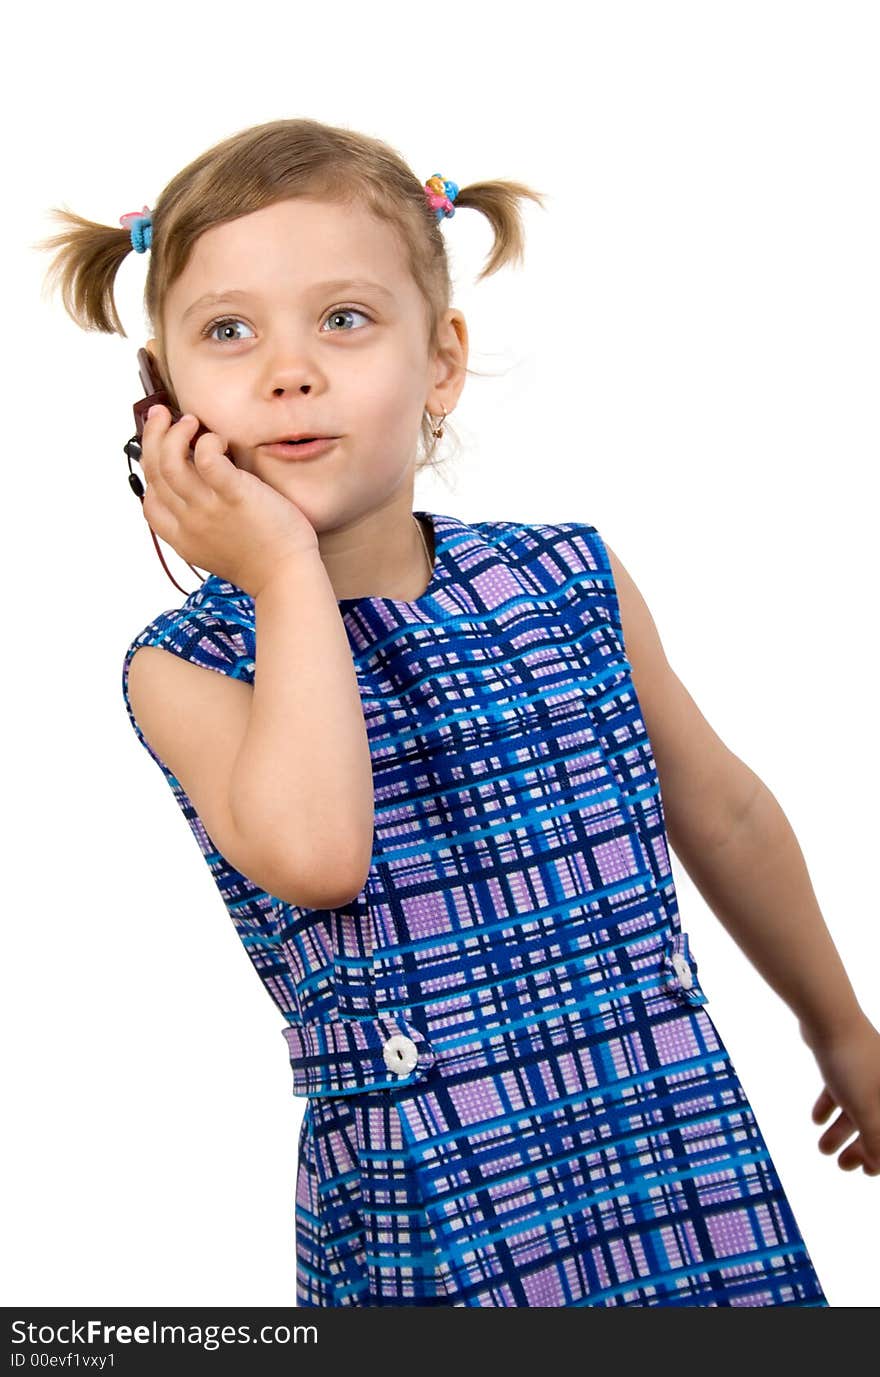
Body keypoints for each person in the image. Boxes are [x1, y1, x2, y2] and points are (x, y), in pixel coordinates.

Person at [36, 116, 878, 1308]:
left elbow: (726, 814)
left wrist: (840, 1028)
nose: (290, 370)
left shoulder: (566, 577)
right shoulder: (188, 666)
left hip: (663, 1131)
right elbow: (321, 858)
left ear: (439, 361)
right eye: (229, 332)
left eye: (344, 319)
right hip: (435, 1201)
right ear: (166, 401)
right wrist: (281, 571)